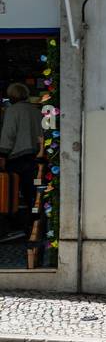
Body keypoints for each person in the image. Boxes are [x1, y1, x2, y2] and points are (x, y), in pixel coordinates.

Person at [0, 83, 42, 242]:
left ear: (12, 96)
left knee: (12, 194)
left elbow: (8, 134)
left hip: (17, 158)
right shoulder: (36, 111)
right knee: (32, 194)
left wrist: (2, 154)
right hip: (34, 158)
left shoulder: (12, 111)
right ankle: (32, 226)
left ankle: (14, 226)